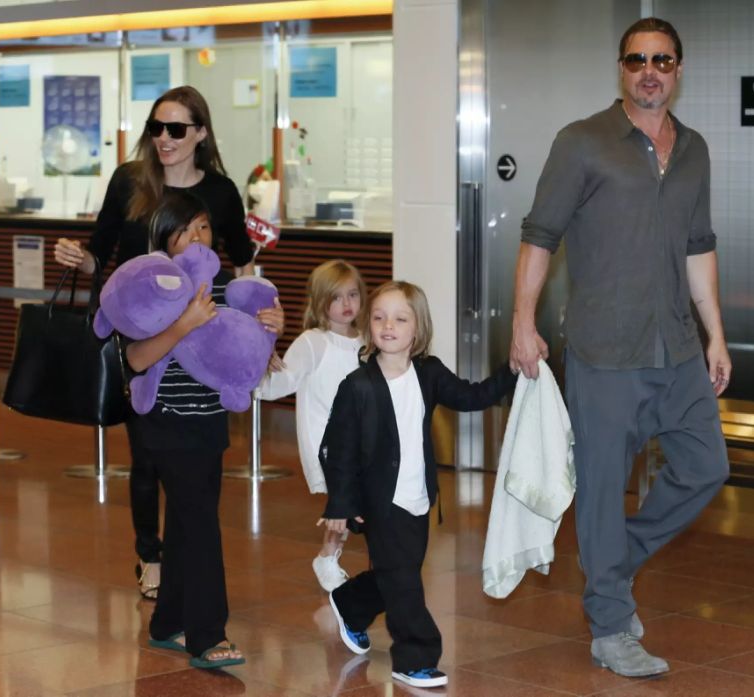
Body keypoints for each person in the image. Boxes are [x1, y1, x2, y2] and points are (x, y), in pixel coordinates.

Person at [509, 17, 731, 678]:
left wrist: (715, 331)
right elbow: (539, 234)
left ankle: (612, 564)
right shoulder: (580, 142)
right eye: (637, 59)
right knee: (603, 490)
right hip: (604, 349)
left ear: (679, 68)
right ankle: (610, 624)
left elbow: (699, 247)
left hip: (678, 346)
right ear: (621, 68)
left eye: (662, 59)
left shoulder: (694, 150)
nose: (649, 71)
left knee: (706, 466)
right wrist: (523, 321)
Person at [53, 85, 260, 600]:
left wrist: (256, 322)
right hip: (138, 333)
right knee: (145, 450)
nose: (163, 139)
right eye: (156, 128)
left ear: (201, 134)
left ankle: (186, 553)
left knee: (194, 447)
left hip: (202, 329)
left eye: (176, 129)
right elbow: (101, 253)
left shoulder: (220, 193)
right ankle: (150, 553)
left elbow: (242, 259)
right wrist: (83, 261)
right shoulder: (130, 182)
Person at [320, 281, 516, 689]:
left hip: (418, 498)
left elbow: (472, 396)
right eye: (379, 317)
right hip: (379, 502)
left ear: (418, 328)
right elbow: (337, 450)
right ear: (369, 326)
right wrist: (341, 502)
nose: (388, 325)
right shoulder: (357, 387)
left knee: (398, 573)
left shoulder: (429, 373)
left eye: (400, 318)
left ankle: (350, 605)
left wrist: (510, 373)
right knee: (405, 584)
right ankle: (415, 657)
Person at [128, 190, 281, 669]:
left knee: (187, 522)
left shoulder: (222, 291)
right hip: (167, 427)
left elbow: (248, 356)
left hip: (210, 426)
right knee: (200, 526)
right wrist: (184, 324)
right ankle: (206, 633)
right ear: (163, 237)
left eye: (204, 228)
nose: (197, 237)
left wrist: (270, 329)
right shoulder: (151, 287)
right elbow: (135, 359)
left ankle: (166, 622)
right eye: (185, 228)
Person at [258, 259, 367, 591]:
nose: (346, 304)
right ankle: (327, 557)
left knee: (352, 502)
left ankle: (328, 557)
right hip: (329, 441)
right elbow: (280, 383)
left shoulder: (367, 339)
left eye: (352, 295)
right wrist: (261, 365)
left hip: (360, 438)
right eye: (336, 297)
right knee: (345, 500)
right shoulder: (313, 341)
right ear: (320, 302)